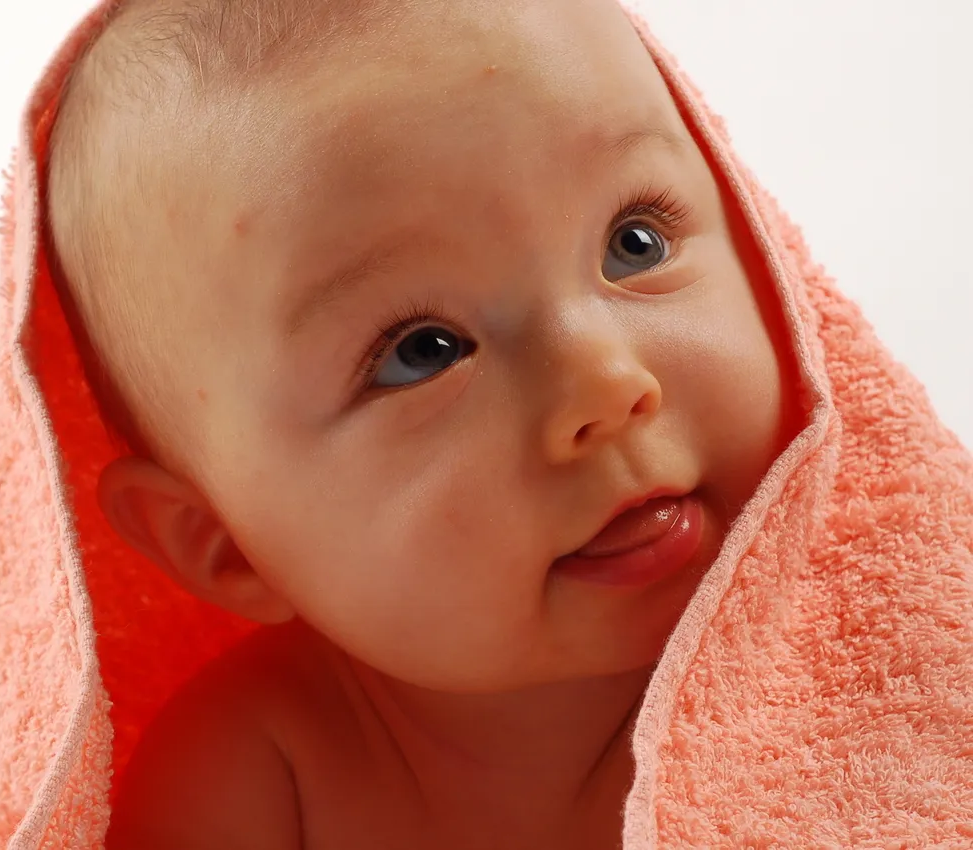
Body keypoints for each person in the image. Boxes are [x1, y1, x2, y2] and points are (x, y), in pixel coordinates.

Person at [45, 0, 799, 845]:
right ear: (225, 543)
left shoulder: (898, 661)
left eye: (635, 244)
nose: (606, 382)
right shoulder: (262, 775)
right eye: (424, 350)